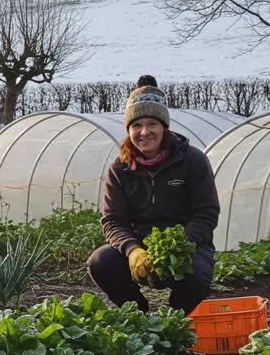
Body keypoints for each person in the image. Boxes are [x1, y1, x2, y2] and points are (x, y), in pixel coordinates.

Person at [86, 85, 219, 313]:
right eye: (136, 125)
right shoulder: (120, 168)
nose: (144, 132)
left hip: (188, 245)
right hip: (141, 245)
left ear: (164, 128)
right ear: (129, 130)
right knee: (100, 262)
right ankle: (139, 316)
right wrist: (133, 250)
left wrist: (176, 248)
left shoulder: (193, 161)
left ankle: (176, 319)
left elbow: (205, 214)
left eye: (152, 124)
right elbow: (113, 220)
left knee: (196, 275)